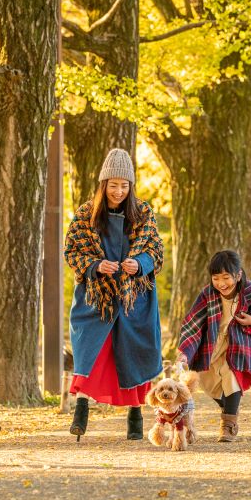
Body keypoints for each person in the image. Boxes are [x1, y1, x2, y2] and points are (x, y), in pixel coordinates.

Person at [64, 148, 164, 442]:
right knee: (92, 352)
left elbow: (156, 252)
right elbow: (73, 252)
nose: (119, 191)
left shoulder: (143, 213)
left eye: (124, 185)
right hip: (96, 296)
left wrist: (139, 264)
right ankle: (81, 409)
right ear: (103, 184)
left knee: (132, 353)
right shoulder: (85, 215)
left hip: (134, 297)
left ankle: (136, 413)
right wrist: (96, 265)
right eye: (113, 184)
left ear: (131, 186)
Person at [176, 250, 251, 442]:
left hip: (239, 340)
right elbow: (193, 324)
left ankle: (228, 425)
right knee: (204, 378)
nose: (221, 283)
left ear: (238, 275)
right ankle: (230, 407)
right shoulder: (208, 294)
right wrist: (185, 352)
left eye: (226, 277)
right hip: (212, 340)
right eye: (216, 278)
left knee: (231, 374)